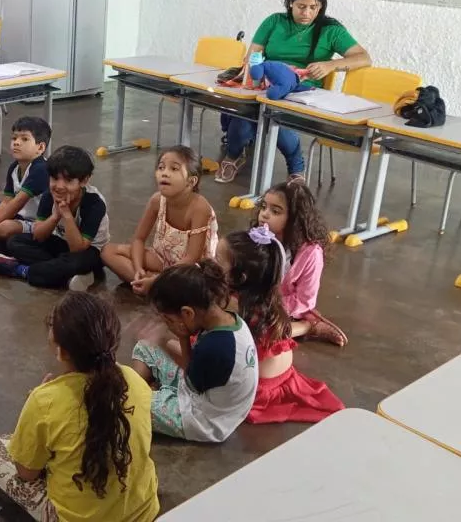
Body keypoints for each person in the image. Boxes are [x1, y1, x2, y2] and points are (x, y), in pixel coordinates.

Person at [0, 292, 159, 521]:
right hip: (142, 511)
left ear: (62, 351)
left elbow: (27, 473)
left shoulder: (44, 400)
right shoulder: (135, 380)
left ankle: (12, 502)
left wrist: (36, 404)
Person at [215, 0, 372, 184]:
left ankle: (295, 166)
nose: (306, 13)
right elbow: (252, 56)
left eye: (313, 8)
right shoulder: (274, 22)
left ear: (321, 6)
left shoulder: (331, 31)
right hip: (264, 85)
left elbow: (364, 58)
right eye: (301, 6)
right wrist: (255, 72)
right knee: (242, 117)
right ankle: (234, 155)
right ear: (290, 2)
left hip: (303, 92)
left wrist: (330, 65)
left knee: (274, 116)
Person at [216, 227, 344, 424]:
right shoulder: (267, 295)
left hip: (259, 389)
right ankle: (309, 326)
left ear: (239, 277)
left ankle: (310, 326)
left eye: (217, 261)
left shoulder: (230, 304)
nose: (211, 263)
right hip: (284, 375)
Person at [132, 262, 257, 442]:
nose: (166, 324)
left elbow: (191, 384)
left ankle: (139, 393)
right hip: (205, 393)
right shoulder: (229, 320)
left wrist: (182, 337)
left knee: (126, 402)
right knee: (145, 347)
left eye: (168, 319)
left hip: (204, 419)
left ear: (187, 314)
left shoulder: (214, 348)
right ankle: (142, 390)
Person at [0, 145, 109, 290]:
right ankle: (64, 275)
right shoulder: (49, 195)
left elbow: (77, 248)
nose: (59, 186)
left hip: (87, 252)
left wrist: (67, 215)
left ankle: (22, 270)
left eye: (68, 181)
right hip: (61, 244)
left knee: (77, 262)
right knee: (15, 241)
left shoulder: (95, 203)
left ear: (84, 180)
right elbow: (39, 235)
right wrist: (55, 216)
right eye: (54, 179)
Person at [101, 146, 218, 295]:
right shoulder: (157, 200)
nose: (165, 173)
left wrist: (157, 279)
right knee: (108, 251)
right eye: (161, 167)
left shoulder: (200, 208)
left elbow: (191, 258)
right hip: (162, 258)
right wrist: (138, 269)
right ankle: (152, 285)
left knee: (194, 286)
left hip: (190, 270)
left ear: (191, 181)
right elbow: (138, 239)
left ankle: (155, 285)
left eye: (174, 169)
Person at [255, 182, 348, 345]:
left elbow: (305, 300)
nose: (264, 214)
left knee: (261, 333)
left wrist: (268, 306)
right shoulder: (259, 237)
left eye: (275, 211)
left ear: (294, 218)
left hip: (284, 308)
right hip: (258, 300)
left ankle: (308, 326)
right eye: (263, 207)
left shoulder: (311, 253)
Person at [0, 116, 51, 257]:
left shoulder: (41, 168)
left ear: (40, 147)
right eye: (14, 138)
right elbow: (7, 201)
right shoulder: (15, 167)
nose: (16, 143)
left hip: (37, 221)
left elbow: (17, 203)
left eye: (24, 139)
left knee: (4, 227)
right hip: (19, 215)